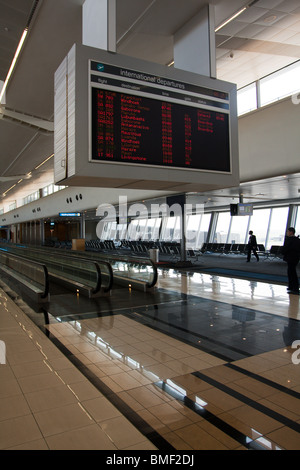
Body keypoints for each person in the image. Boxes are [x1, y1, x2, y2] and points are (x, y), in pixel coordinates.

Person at [282, 227, 300, 295]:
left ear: (291, 232)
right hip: (295, 258)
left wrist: (283, 252)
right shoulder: (297, 239)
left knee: (292, 272)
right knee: (291, 271)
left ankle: (294, 288)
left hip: (291, 257)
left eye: (288, 231)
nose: (287, 233)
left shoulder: (290, 240)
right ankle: (291, 286)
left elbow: (286, 248)